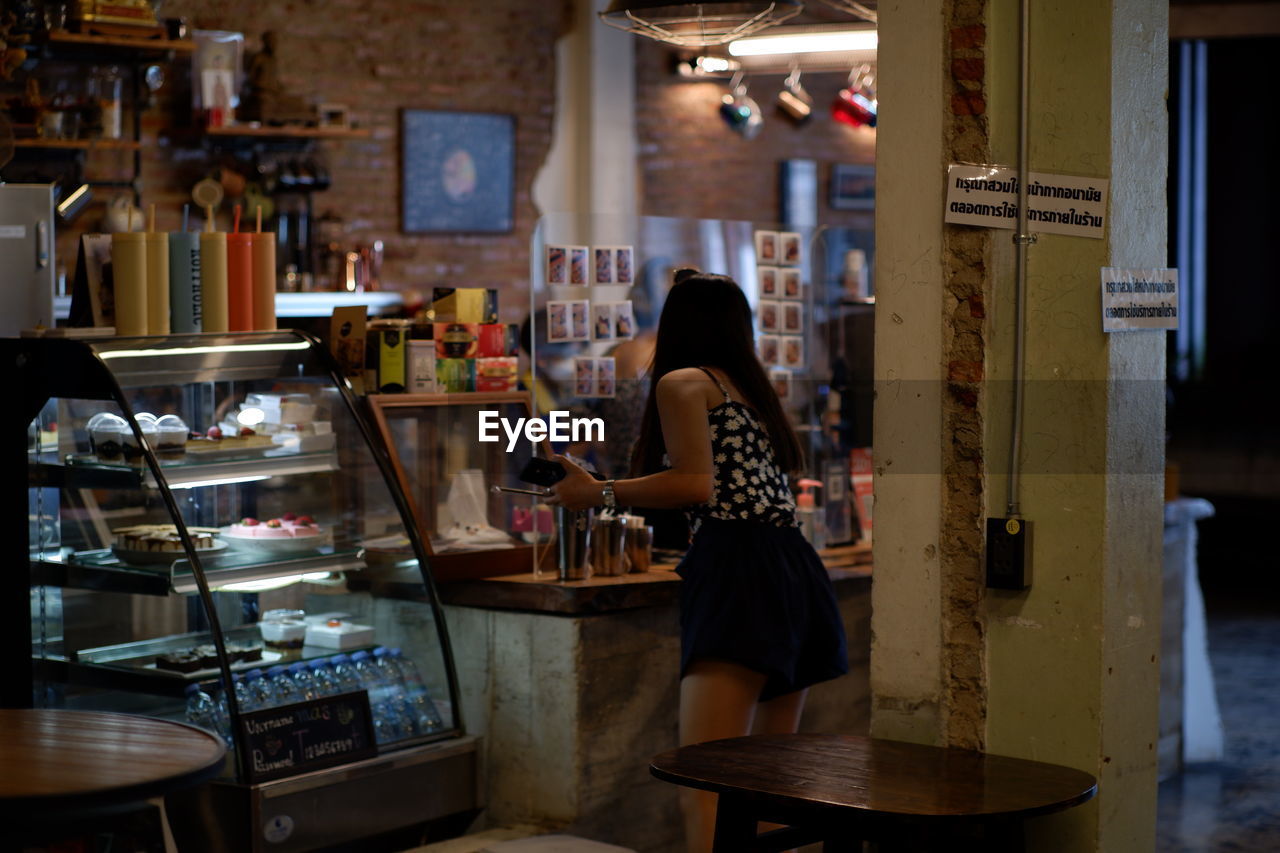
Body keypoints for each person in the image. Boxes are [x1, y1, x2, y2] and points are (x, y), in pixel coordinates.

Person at [548, 269, 849, 852]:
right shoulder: (749, 388)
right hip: (795, 566)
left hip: (740, 567)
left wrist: (599, 492)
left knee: (707, 779)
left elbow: (693, 484)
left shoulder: (683, 382)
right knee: (766, 778)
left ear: (674, 324)